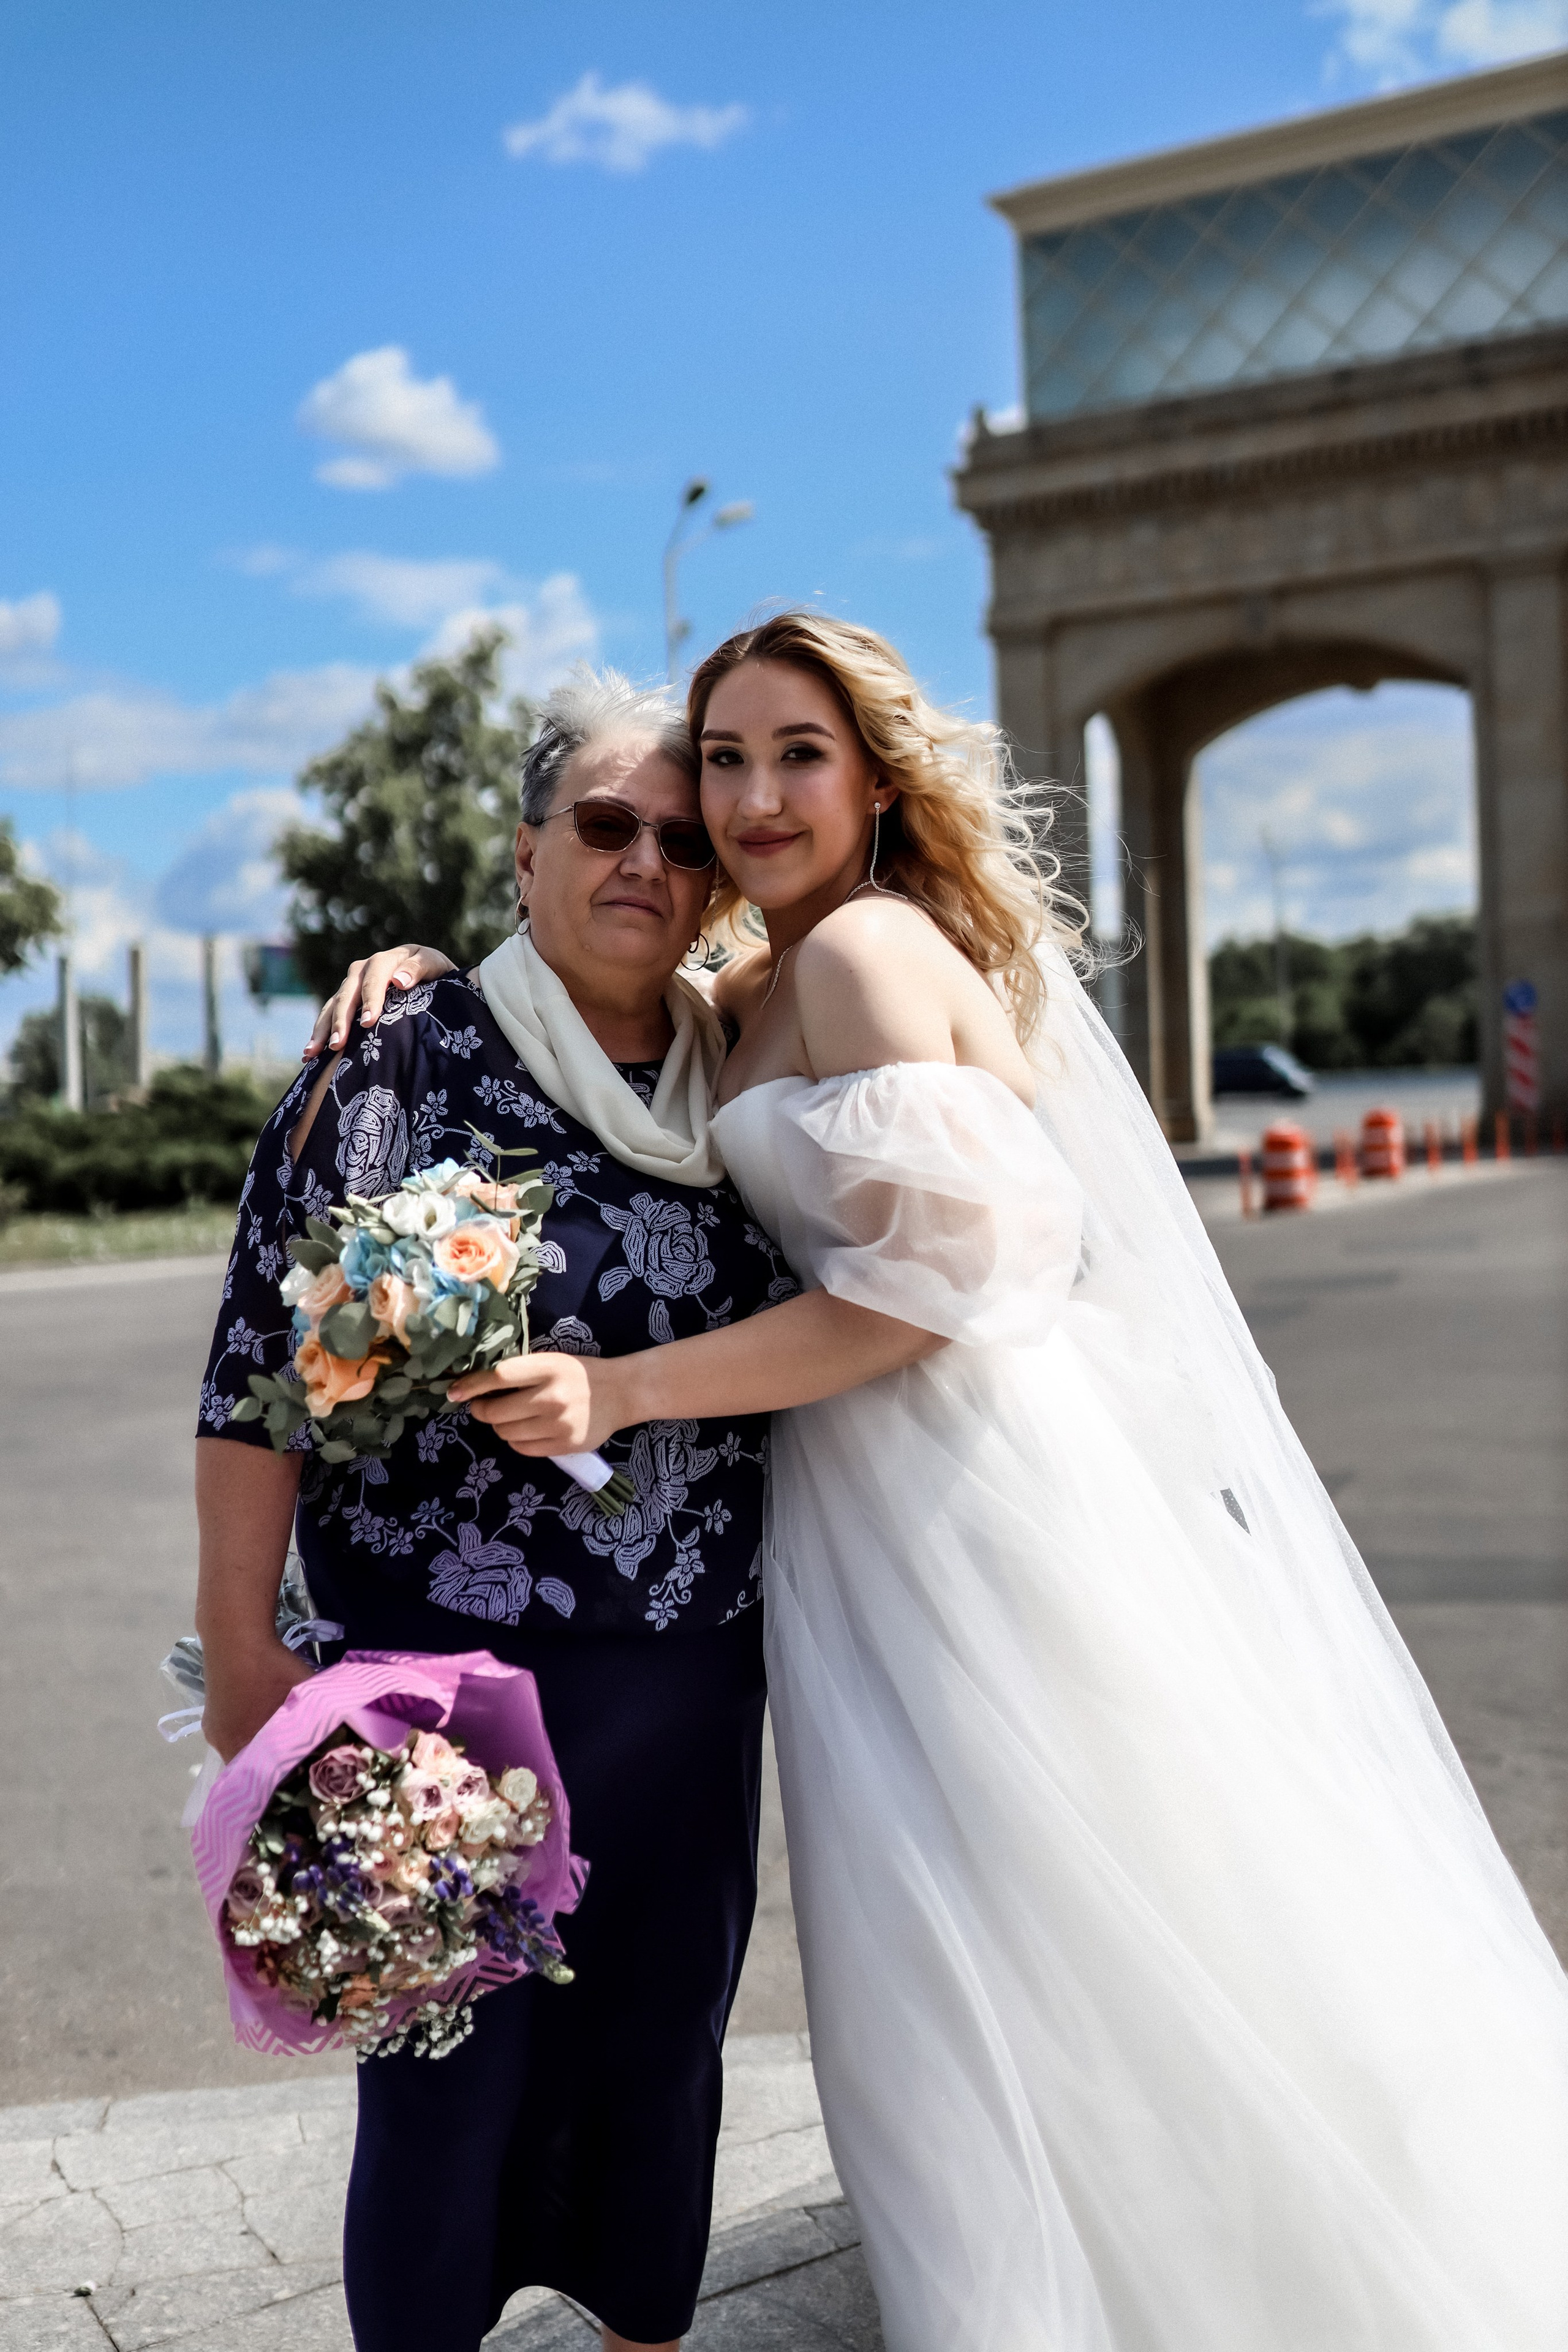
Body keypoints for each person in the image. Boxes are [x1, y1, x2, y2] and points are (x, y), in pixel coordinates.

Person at [317, 616, 1568, 2351]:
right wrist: (420, 968)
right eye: (723, 763)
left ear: (877, 774)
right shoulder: (770, 978)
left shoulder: (868, 957)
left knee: (1069, 1899)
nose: (747, 802)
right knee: (967, 1924)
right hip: (858, 1507)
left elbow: (935, 1292)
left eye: (795, 756)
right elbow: (608, 1003)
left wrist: (623, 1387)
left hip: (968, 1496)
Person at [194, 669, 925, 2352]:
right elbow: (254, 1377)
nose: (645, 860)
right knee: (445, 2079)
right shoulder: (399, 1066)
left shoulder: (740, 1068)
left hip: (683, 1681)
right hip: (435, 1698)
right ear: (526, 855)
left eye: (683, 839)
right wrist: (242, 1644)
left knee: (662, 2065)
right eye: (605, 825)